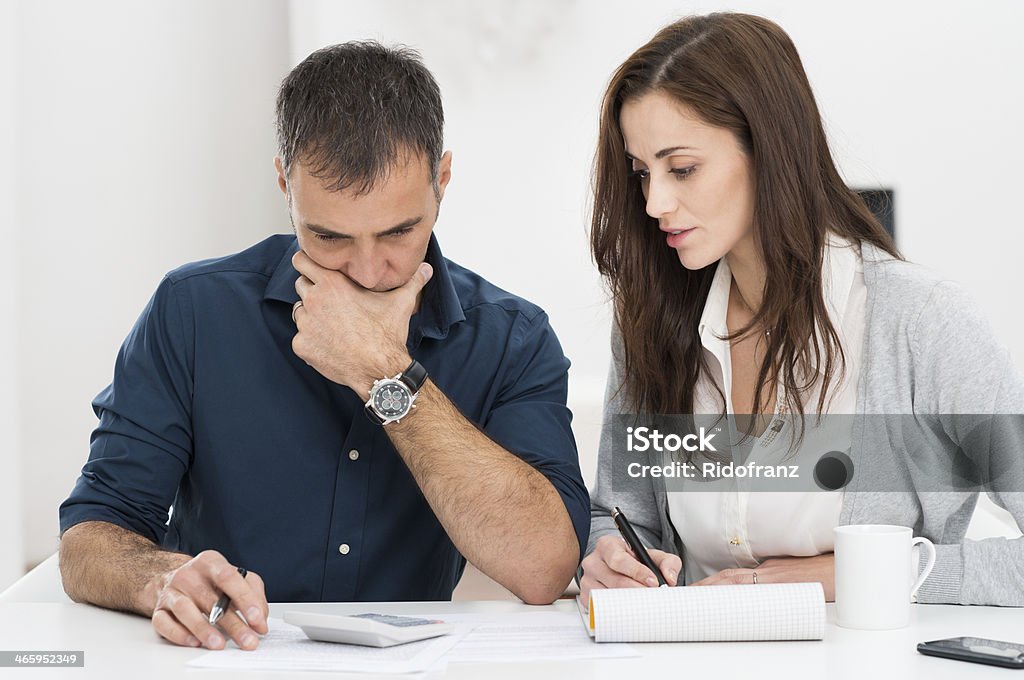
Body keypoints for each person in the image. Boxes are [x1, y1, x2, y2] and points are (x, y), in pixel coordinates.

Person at [58, 41, 589, 651]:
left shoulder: (510, 338)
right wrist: (161, 578)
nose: (366, 271)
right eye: (329, 235)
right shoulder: (193, 310)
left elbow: (544, 566)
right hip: (224, 659)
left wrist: (385, 373)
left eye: (399, 231)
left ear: (442, 178)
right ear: (284, 179)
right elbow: (89, 538)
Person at [581, 13, 1024, 607]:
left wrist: (871, 573)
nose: (656, 201)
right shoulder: (650, 321)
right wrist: (611, 560)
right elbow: (618, 515)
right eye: (642, 173)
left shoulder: (921, 323)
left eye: (682, 168)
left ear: (769, 148)